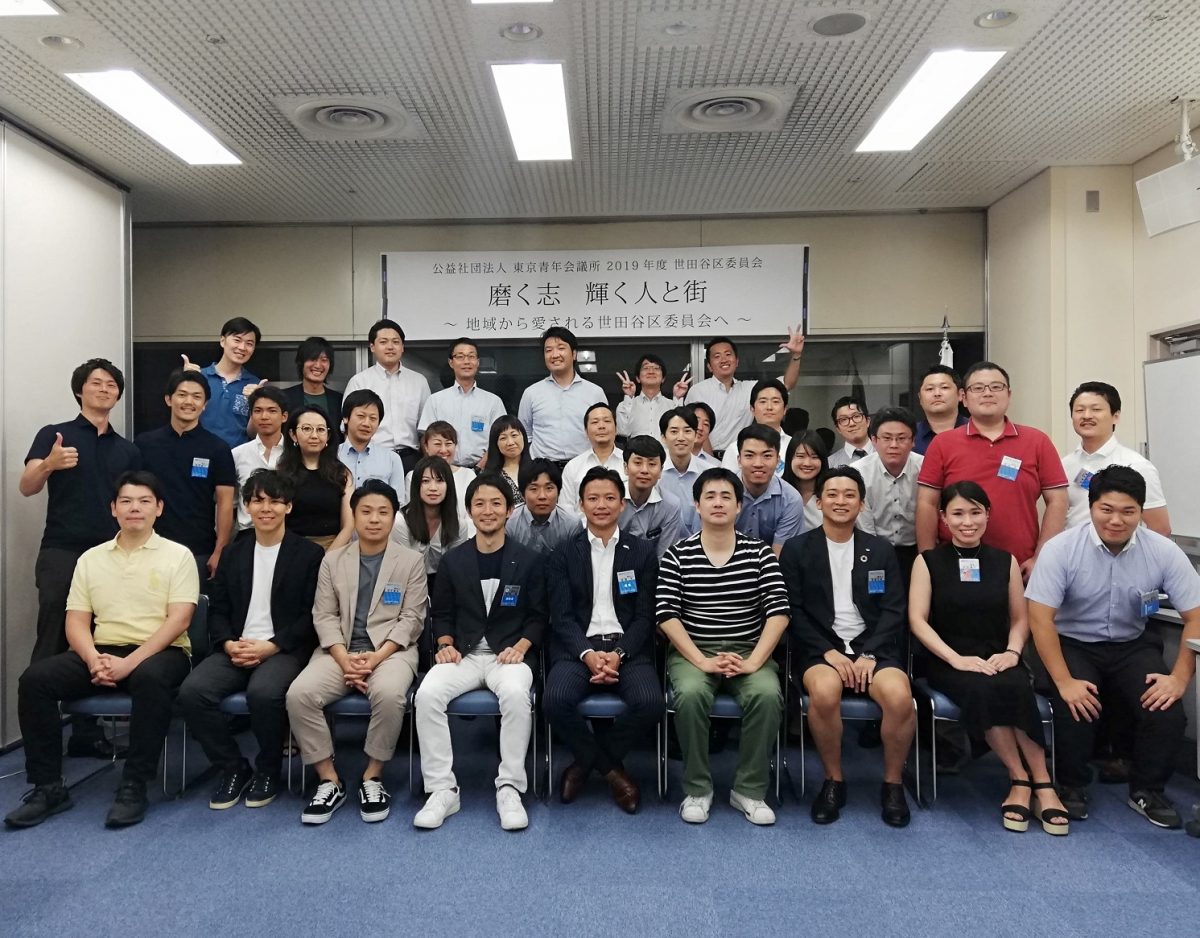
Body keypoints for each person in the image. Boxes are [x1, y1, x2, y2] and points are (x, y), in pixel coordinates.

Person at [5, 471, 198, 830]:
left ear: (159, 508)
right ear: (113, 509)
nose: (135, 508)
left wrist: (129, 664)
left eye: (144, 501)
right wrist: (93, 658)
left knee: (151, 679)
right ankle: (48, 787)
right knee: (35, 680)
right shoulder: (90, 559)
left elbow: (180, 620)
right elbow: (76, 621)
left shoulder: (178, 556)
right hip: (102, 650)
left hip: (161, 651)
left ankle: (134, 785)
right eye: (126, 501)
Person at [1026, 466, 1200, 829]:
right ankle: (1071, 785)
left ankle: (1148, 790)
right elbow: (1040, 619)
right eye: (1106, 509)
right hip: (1072, 641)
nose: (1116, 520)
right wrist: (1064, 681)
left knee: (1166, 708)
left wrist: (1180, 678)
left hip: (1131, 643)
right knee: (1076, 703)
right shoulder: (1062, 549)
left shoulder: (1163, 552)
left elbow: (1195, 615)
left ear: (1141, 512)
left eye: (1128, 511)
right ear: (1091, 507)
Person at [908, 481, 1068, 834]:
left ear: (987, 515)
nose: (967, 522)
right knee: (983, 688)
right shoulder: (928, 561)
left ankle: (1043, 782)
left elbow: (1020, 618)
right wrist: (955, 659)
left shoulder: (1005, 561)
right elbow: (917, 621)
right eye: (958, 514)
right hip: (947, 659)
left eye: (975, 512)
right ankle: (1019, 777)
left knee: (1015, 685)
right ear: (943, 518)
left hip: (998, 655)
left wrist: (1012, 652)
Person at [178, 470, 325, 810]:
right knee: (193, 692)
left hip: (283, 648)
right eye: (258, 501)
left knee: (263, 693)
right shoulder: (234, 553)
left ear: (288, 507)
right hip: (236, 647)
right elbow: (218, 609)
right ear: (246, 507)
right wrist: (228, 643)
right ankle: (232, 766)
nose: (266, 508)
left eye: (275, 501)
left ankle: (268, 770)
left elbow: (311, 615)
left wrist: (272, 645)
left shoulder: (309, 554)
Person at [285, 480, 428, 825]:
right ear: (353, 515)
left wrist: (376, 658)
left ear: (394, 517)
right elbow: (324, 615)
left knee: (390, 694)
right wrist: (344, 658)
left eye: (383, 512)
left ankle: (372, 776)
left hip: (391, 652)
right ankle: (329, 780)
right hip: (340, 651)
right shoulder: (333, 561)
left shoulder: (411, 561)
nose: (374, 519)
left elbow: (412, 619)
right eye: (366, 511)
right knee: (299, 694)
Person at [779, 466, 914, 827]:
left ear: (862, 504)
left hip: (874, 649)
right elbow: (792, 610)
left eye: (850, 495)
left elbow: (894, 610)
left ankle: (893, 784)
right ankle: (833, 780)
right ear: (819, 502)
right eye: (833, 494)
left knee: (900, 697)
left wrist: (870, 653)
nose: (841, 501)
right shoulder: (797, 550)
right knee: (824, 693)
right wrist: (829, 651)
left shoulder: (881, 550)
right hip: (821, 648)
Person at [21, 359, 142, 759]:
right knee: (53, 636)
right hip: (63, 550)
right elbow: (27, 486)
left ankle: (85, 733)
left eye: (112, 385)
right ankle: (41, 744)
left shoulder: (127, 449)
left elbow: (136, 503)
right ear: (79, 390)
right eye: (96, 383)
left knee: (98, 638)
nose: (105, 389)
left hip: (112, 556)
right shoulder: (55, 435)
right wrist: (50, 464)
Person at [413, 473, 548, 831]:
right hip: (465, 655)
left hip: (510, 654)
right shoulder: (453, 561)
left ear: (509, 511)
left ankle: (510, 788)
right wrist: (444, 644)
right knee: (427, 694)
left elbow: (539, 616)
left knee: (517, 695)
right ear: (469, 511)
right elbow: (441, 614)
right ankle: (442, 789)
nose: (488, 511)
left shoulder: (529, 560)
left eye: (496, 504)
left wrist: (522, 646)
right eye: (480, 504)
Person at [657, 467, 789, 825]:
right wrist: (701, 661)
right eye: (710, 497)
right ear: (696, 505)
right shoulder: (677, 555)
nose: (718, 503)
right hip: (694, 650)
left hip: (748, 649)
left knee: (766, 695)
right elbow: (666, 615)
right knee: (689, 695)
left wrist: (753, 662)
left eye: (726, 497)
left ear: (739, 506)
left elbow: (778, 612)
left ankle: (749, 790)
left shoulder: (759, 554)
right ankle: (697, 789)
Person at [545, 467, 661, 812]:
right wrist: (588, 654)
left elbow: (645, 616)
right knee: (555, 700)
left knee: (650, 703)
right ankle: (613, 772)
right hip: (579, 648)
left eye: (609, 498)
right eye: (593, 498)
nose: (601, 505)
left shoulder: (641, 552)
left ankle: (585, 765)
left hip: (628, 647)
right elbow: (561, 618)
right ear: (580, 504)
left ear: (622, 504)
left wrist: (619, 654)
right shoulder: (563, 554)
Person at [917, 361, 1068, 580]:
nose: (987, 393)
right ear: (964, 397)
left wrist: (1041, 558)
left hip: (1020, 567)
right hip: (955, 566)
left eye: (996, 387)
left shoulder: (1037, 441)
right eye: (978, 388)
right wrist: (927, 560)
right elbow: (927, 504)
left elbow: (1058, 501)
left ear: (1009, 394)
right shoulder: (942, 444)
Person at [134, 369, 236, 583]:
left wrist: (220, 551)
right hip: (149, 546)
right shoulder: (145, 444)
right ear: (168, 399)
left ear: (205, 404)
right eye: (182, 395)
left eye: (197, 396)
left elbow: (225, 503)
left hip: (198, 550)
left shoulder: (218, 448)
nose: (189, 402)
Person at [1062, 381, 1170, 535]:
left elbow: (1160, 528)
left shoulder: (1137, 465)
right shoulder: (1065, 464)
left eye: (1096, 409)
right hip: (1073, 549)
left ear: (1116, 416)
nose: (1086, 416)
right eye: (1079, 410)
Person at [683, 329, 806, 456]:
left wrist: (796, 355)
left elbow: (787, 384)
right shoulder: (698, 390)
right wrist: (711, 460)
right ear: (709, 366)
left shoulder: (750, 388)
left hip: (740, 457)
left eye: (728, 354)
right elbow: (697, 429)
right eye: (717, 356)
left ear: (737, 362)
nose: (724, 359)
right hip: (705, 457)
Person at [342, 319, 431, 472]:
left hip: (410, 459)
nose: (390, 347)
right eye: (383, 342)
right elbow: (347, 428)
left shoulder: (419, 381)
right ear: (372, 347)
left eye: (396, 342)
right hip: (370, 457)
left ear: (402, 347)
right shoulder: (359, 381)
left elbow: (426, 430)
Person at [851, 407, 924, 578]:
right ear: (874, 440)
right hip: (873, 548)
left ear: (913, 441)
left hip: (916, 549)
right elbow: (865, 527)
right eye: (887, 438)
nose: (894, 445)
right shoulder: (858, 472)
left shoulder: (925, 468)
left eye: (901, 438)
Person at [518, 326, 606, 464]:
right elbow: (524, 435)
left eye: (561, 348)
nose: (554, 355)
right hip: (543, 469)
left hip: (584, 466)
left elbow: (604, 433)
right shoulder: (531, 393)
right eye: (548, 350)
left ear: (574, 354)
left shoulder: (595, 392)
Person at [418, 336, 505, 467]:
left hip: (482, 471)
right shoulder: (435, 400)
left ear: (478, 362)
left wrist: (479, 469)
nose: (466, 361)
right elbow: (426, 438)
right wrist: (439, 468)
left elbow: (499, 439)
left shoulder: (493, 402)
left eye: (471, 356)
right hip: (444, 469)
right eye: (460, 356)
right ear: (451, 362)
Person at [276, 406, 353, 550]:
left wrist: (327, 558)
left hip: (333, 548)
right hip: (292, 548)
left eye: (321, 430)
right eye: (306, 429)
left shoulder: (342, 474)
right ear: (293, 435)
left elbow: (348, 526)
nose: (314, 435)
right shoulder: (282, 473)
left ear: (328, 436)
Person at [391, 455, 474, 588]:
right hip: (407, 582)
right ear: (416, 485)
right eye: (426, 481)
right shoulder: (400, 522)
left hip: (444, 583)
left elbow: (456, 569)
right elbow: (404, 569)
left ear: (449, 486)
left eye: (440, 481)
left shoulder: (459, 525)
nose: (433, 488)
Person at [183, 316, 263, 448]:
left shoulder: (255, 384)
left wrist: (258, 404)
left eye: (249, 344)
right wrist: (185, 381)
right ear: (222, 341)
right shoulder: (199, 377)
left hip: (237, 455)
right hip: (199, 451)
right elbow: (181, 417)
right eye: (237, 340)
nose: (242, 347)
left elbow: (254, 434)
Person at [732, 424, 804, 555]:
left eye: (767, 456)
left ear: (778, 460)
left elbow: (779, 555)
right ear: (739, 460)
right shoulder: (722, 494)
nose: (758, 464)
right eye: (749, 455)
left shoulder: (791, 499)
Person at [231, 385, 289, 531]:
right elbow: (229, 504)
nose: (264, 417)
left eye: (272, 411)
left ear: (284, 416)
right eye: (258, 411)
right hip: (247, 533)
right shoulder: (237, 454)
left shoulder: (296, 453)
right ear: (251, 415)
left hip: (288, 533)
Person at [619, 435, 683, 557]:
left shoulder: (670, 505)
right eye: (638, 463)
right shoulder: (611, 497)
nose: (644, 470)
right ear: (625, 467)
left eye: (652, 464)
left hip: (650, 566)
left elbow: (664, 556)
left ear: (661, 471)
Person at [336, 389, 406, 497]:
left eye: (373, 418)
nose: (366, 423)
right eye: (361, 416)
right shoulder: (332, 455)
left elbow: (399, 501)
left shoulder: (392, 459)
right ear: (345, 418)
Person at [560, 402, 626, 514]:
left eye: (607, 421)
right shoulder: (573, 467)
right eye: (595, 422)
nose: (601, 426)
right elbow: (565, 511)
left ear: (616, 429)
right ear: (586, 432)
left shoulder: (630, 463)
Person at [505, 459, 579, 555]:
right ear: (522, 495)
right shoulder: (510, 522)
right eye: (534, 489)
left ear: (558, 492)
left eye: (549, 488)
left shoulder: (571, 523)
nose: (542, 496)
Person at [721, 379, 792, 473]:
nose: (769, 407)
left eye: (775, 401)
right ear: (752, 409)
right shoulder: (735, 448)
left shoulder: (793, 445)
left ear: (785, 409)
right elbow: (726, 481)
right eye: (763, 402)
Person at [406, 421, 477, 512]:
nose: (443, 450)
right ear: (426, 447)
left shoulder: (468, 475)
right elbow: (411, 510)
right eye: (437, 444)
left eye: (448, 444)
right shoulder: (413, 476)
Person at [658, 407, 705, 537]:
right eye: (674, 431)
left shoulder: (709, 473)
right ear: (663, 437)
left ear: (695, 435)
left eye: (687, 431)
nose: (681, 438)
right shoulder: (654, 473)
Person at [616, 353, 682, 439]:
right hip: (637, 448)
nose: (651, 371)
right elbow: (623, 431)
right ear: (638, 378)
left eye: (656, 368)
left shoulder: (672, 405)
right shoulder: (625, 405)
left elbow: (680, 430)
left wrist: (678, 398)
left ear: (663, 378)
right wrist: (628, 397)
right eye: (646, 368)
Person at [283, 336, 343, 425]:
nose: (318, 365)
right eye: (312, 359)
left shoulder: (339, 400)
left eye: (324, 360)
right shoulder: (284, 398)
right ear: (301, 363)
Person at [913, 365, 968, 455]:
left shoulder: (977, 432)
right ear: (920, 398)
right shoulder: (909, 436)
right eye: (930, 389)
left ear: (960, 395)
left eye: (944, 387)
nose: (937, 394)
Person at [781, 431, 829, 532]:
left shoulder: (831, 494)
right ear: (790, 458)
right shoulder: (778, 492)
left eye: (814, 457)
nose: (807, 463)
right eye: (800, 456)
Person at [482, 415, 530, 509]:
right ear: (496, 443)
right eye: (503, 438)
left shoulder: (537, 469)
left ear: (523, 437)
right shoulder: (488, 476)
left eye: (514, 435)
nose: (510, 442)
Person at [827, 397, 875, 468]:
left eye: (856, 416)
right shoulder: (830, 463)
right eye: (844, 419)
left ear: (867, 421)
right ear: (838, 429)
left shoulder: (886, 454)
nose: (852, 423)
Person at [684, 401, 722, 468]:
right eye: (696, 421)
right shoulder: (666, 459)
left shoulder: (716, 466)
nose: (700, 427)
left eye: (706, 424)